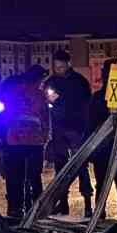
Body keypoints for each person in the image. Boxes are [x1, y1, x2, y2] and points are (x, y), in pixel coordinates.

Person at [44, 49, 92, 214]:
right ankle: (63, 203)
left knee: (80, 164)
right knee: (60, 168)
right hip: (59, 129)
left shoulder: (79, 82)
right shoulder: (52, 81)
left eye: (61, 67)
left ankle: (88, 204)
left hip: (76, 128)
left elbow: (86, 104)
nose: (58, 69)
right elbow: (48, 100)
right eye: (56, 67)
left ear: (68, 64)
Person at [0, 64, 48, 219]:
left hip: (14, 140)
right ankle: (36, 210)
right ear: (37, 79)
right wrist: (46, 137)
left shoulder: (11, 92)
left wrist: (2, 136)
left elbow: (4, 114)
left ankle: (15, 209)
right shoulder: (39, 94)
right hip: (34, 142)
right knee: (34, 177)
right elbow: (45, 117)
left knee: (15, 177)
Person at [88, 63, 117, 216]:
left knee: (109, 183)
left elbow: (90, 123)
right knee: (112, 183)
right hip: (108, 147)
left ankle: (103, 215)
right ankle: (108, 214)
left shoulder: (115, 98)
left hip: (108, 147)